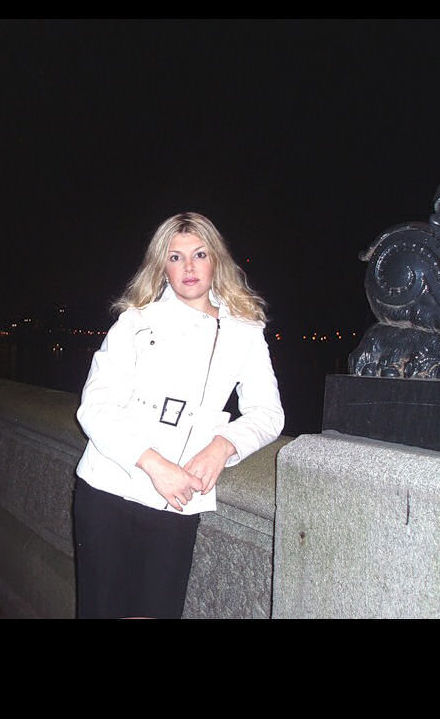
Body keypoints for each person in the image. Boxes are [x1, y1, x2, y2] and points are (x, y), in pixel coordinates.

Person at [73, 212, 284, 619]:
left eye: (199, 254)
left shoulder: (245, 330)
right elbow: (95, 406)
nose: (189, 267)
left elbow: (268, 412)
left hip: (180, 498)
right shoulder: (136, 321)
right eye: (175, 257)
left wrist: (224, 446)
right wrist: (154, 464)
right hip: (109, 487)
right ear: (162, 267)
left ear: (216, 259)